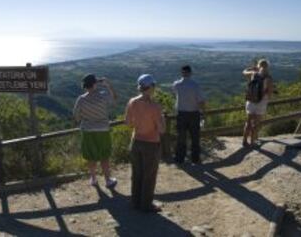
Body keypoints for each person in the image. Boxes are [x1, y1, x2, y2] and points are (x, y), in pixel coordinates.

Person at [125, 74, 165, 212]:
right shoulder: (155, 107)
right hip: (151, 144)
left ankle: (135, 202)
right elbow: (161, 129)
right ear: (151, 87)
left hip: (136, 142)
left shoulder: (132, 102)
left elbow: (128, 123)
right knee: (149, 175)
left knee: (136, 173)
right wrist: (161, 119)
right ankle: (146, 205)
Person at [73, 74, 118, 188]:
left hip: (87, 131)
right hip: (103, 130)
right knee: (104, 155)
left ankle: (93, 179)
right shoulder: (103, 96)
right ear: (94, 84)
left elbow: (76, 116)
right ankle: (108, 180)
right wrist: (108, 85)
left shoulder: (81, 99)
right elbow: (114, 99)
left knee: (90, 156)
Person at [173, 65, 206, 164]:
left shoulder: (176, 85)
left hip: (181, 113)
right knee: (195, 138)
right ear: (190, 73)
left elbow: (175, 93)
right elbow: (201, 101)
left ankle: (180, 159)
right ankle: (195, 159)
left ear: (182, 73)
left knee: (181, 137)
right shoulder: (195, 85)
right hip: (193, 114)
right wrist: (203, 114)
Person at [242, 59, 274, 146]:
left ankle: (244, 141)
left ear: (259, 66)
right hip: (261, 102)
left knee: (248, 122)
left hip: (250, 100)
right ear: (267, 67)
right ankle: (252, 142)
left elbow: (244, 72)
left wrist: (252, 68)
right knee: (256, 123)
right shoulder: (268, 78)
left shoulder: (253, 73)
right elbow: (270, 93)